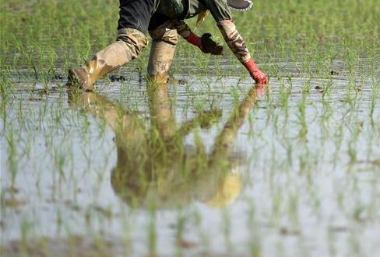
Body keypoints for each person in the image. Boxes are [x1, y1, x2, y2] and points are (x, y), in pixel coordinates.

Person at [67, 0, 267, 91]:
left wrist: (198, 42)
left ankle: (157, 81)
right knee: (132, 42)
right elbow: (229, 32)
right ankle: (85, 74)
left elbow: (172, 15)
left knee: (167, 33)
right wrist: (255, 71)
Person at [68, 84, 266, 209]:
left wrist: (248, 103)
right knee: (131, 129)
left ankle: (81, 97)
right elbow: (172, 147)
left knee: (128, 126)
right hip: (129, 191)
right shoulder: (195, 189)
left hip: (141, 184)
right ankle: (83, 99)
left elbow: (173, 146)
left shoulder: (206, 183)